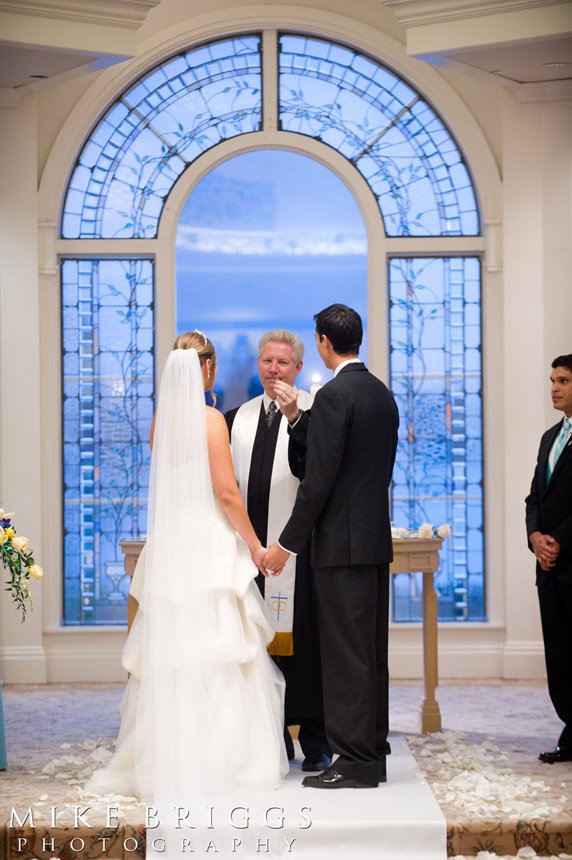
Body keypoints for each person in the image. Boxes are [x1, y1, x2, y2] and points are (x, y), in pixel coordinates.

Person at [86, 331, 288, 804]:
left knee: (177, 652)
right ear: (208, 369)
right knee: (219, 650)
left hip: (173, 546)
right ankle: (223, 759)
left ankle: (166, 755)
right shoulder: (211, 420)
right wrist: (256, 546)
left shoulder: (161, 423)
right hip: (209, 545)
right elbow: (225, 493)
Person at [264, 304, 399, 789]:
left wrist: (285, 545)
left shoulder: (336, 396)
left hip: (338, 549)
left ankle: (354, 762)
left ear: (322, 342)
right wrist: (299, 417)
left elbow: (316, 482)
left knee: (344, 657)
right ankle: (372, 752)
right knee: (368, 654)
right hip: (370, 542)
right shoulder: (380, 394)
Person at [225, 330, 331, 773]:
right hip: (249, 554)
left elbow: (319, 478)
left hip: (298, 555)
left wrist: (294, 418)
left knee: (305, 647)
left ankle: (316, 739)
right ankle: (272, 737)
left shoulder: (316, 413)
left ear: (298, 368)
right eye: (267, 361)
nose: (273, 369)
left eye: (282, 363)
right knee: (257, 645)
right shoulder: (237, 418)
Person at [525, 353, 572, 764]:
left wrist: (559, 540)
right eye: (552, 380)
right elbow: (534, 497)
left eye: (563, 381)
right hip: (549, 568)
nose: (554, 388)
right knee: (558, 656)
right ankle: (571, 732)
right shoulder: (549, 437)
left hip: (571, 561)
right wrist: (536, 537)